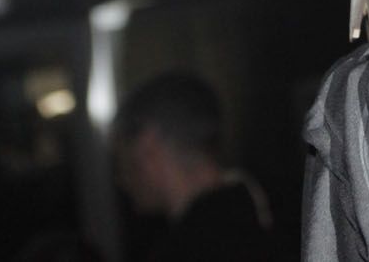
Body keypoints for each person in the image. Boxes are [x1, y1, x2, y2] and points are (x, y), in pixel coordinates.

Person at [111, 72, 275, 262]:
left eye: (121, 158)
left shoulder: (188, 249)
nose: (120, 178)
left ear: (148, 148)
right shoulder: (263, 218)